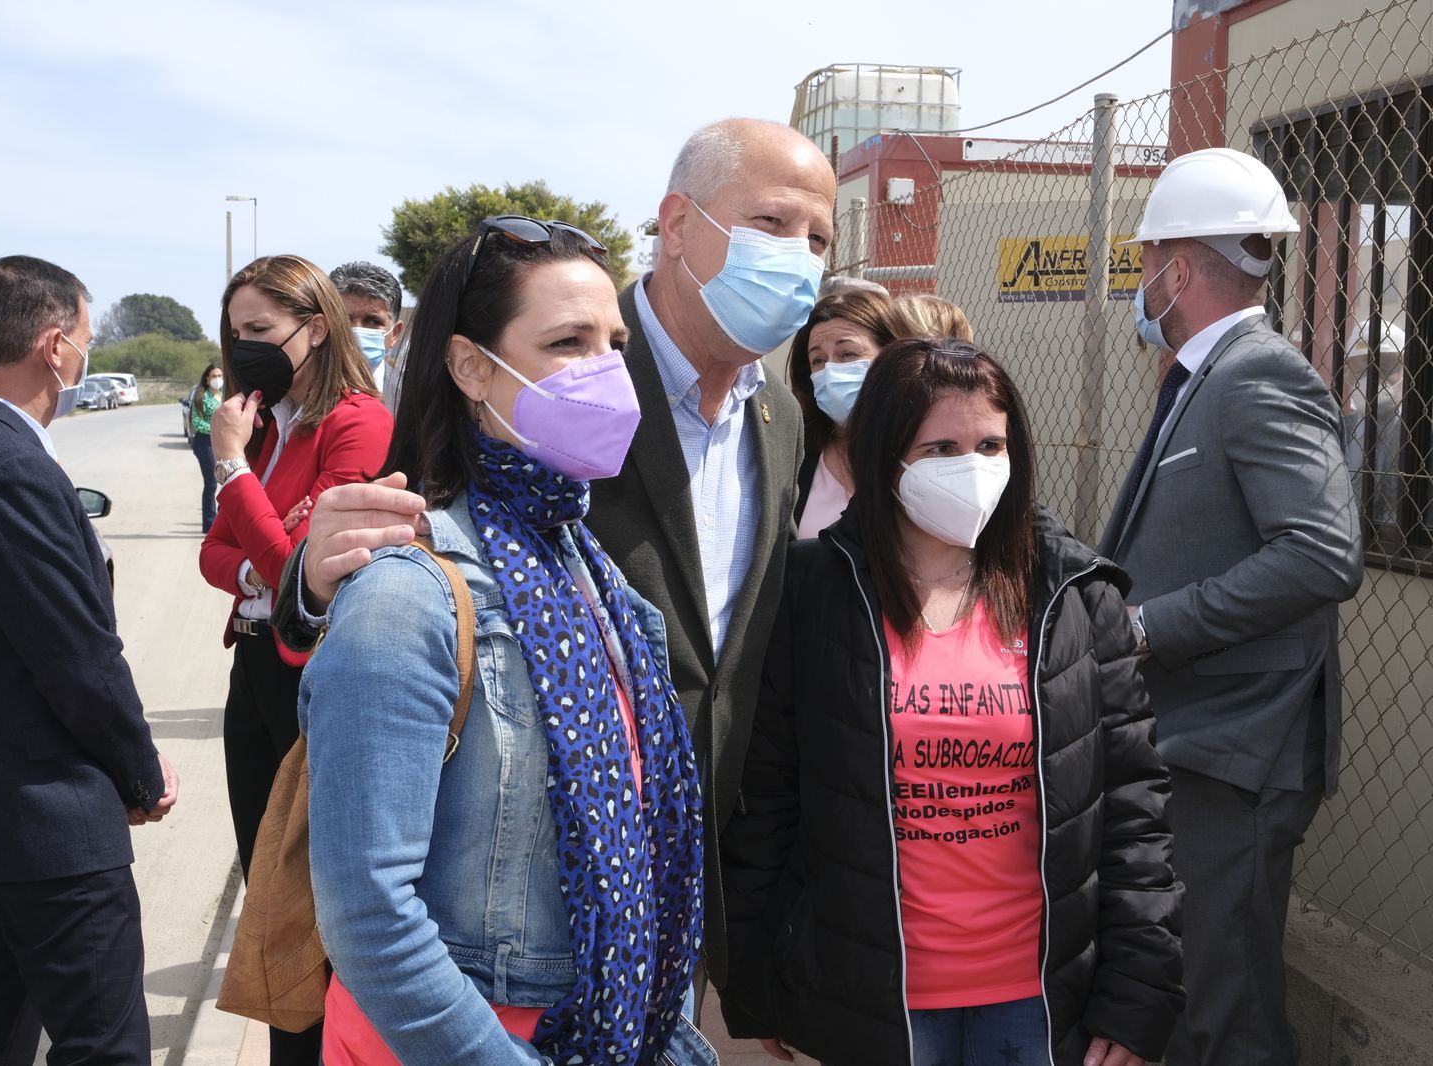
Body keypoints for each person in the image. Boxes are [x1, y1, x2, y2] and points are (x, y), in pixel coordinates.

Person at [273, 119, 833, 988]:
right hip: (508, 902)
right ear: (677, 225)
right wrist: (313, 585)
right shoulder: (544, 368)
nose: (797, 256)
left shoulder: (782, 418)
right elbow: (406, 537)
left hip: (669, 887)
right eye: (770, 223)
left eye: (819, 239)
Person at [305, 216, 713, 1066]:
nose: (606, 370)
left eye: (614, 343)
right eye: (568, 342)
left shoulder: (587, 567)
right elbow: (368, 913)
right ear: (469, 366)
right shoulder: (407, 593)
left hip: (597, 1030)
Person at [721, 340, 1184, 1066]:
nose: (971, 467)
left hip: (1037, 999)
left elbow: (1132, 807)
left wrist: (1138, 989)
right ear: (885, 458)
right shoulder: (811, 590)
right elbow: (766, 803)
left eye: (990, 445)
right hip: (874, 1001)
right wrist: (756, 979)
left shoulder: (1074, 596)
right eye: (940, 448)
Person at [1098, 147, 1364, 1066]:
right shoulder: (1205, 377)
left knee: (1225, 1015)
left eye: (1144, 261)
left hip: (1237, 747)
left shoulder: (1257, 375)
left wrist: (1147, 628)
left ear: (1176, 271)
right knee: (1193, 997)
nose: (1139, 283)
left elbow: (1321, 553)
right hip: (1201, 743)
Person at [0, 255, 178, 1064]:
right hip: (48, 820)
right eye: (85, 341)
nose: (86, 359)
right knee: (104, 1046)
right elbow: (79, 657)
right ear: (55, 347)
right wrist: (139, 772)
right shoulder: (8, 468)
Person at [198, 253, 391, 1066]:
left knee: (314, 899)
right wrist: (266, 551)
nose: (245, 347)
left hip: (310, 677)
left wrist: (232, 468)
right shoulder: (270, 426)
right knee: (267, 888)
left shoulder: (355, 422)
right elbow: (215, 556)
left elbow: (301, 578)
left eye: (259, 329)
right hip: (253, 671)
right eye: (235, 332)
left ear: (314, 329)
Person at [788, 290, 972, 538]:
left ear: (892, 355)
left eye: (848, 354)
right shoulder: (797, 454)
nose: (830, 370)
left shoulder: (928, 451)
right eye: (818, 360)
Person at [328, 261, 404, 389]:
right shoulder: (297, 390)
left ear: (395, 334)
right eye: (343, 319)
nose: (356, 331)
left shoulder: (410, 394)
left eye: (373, 322)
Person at [188, 363, 223, 533]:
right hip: (205, 443)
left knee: (228, 482)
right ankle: (210, 525)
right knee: (211, 484)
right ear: (207, 379)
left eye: (220, 376)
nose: (217, 379)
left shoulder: (225, 396)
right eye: (214, 376)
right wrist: (217, 428)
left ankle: (223, 521)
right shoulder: (201, 397)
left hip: (222, 442)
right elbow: (196, 422)